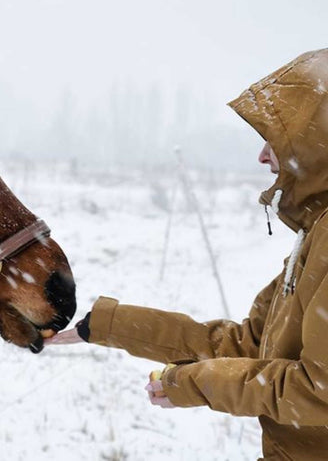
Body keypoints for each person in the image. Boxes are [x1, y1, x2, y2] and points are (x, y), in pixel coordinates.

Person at [46, 49, 328, 460]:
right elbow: (248, 345)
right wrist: (110, 325)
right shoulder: (315, 233)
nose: (263, 155)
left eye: (277, 139)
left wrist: (192, 383)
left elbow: (318, 392)